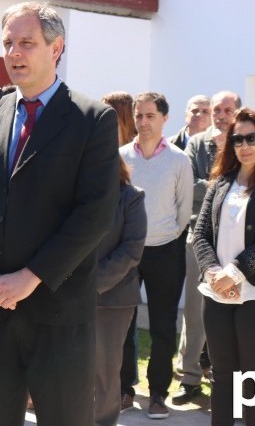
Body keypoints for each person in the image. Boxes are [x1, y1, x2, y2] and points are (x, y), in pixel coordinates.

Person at [0, 1, 119, 426]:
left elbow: (95, 213)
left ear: (56, 47)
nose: (15, 53)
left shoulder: (93, 119)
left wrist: (29, 278)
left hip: (57, 312)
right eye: (8, 43)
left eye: (27, 42)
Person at [192, 107, 255, 426]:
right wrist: (212, 272)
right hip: (216, 292)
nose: (244, 145)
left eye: (252, 137)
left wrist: (233, 273)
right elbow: (200, 233)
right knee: (222, 375)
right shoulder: (220, 182)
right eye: (237, 139)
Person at [120, 91, 193, 419]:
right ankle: (123, 389)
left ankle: (158, 393)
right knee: (122, 321)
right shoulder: (121, 157)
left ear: (165, 118)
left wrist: (165, 237)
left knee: (163, 326)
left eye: (150, 116)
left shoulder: (179, 160)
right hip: (126, 251)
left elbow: (184, 212)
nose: (143, 122)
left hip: (166, 250)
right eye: (139, 115)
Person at [172, 89, 240, 405]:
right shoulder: (198, 145)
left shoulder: (248, 143)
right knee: (196, 314)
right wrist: (222, 186)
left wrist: (211, 187)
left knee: (235, 314)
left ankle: (227, 386)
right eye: (216, 110)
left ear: (238, 112)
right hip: (199, 239)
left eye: (227, 110)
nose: (221, 115)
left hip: (240, 243)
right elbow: (189, 187)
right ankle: (189, 380)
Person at [94, 156, 147, 426]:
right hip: (69, 296)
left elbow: (131, 250)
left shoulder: (132, 197)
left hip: (113, 299)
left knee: (104, 371)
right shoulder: (74, 198)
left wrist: (91, 284)